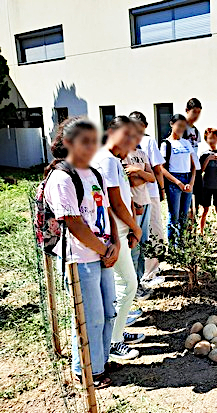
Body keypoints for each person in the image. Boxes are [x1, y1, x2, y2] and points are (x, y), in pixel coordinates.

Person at [44, 117, 119, 388]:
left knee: (108, 312)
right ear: (68, 143)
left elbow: (107, 210)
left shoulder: (93, 173)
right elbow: (74, 223)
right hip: (81, 259)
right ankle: (85, 371)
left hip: (103, 255)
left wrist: (115, 245)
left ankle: (100, 360)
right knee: (90, 318)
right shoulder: (63, 178)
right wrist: (104, 250)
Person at [92, 115, 143, 361]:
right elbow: (115, 202)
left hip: (121, 231)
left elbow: (125, 197)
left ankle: (117, 332)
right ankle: (114, 341)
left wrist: (131, 223)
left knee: (118, 287)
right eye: (128, 137)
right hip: (115, 233)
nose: (131, 145)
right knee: (128, 285)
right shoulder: (107, 161)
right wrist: (136, 227)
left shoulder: (113, 160)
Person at [128, 111, 166, 288]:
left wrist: (139, 174)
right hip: (146, 195)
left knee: (143, 234)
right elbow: (155, 170)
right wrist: (160, 187)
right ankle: (149, 274)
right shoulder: (144, 142)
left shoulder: (134, 144)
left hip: (142, 193)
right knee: (151, 233)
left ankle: (146, 273)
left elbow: (149, 173)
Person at [122, 121, 155, 302]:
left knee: (143, 246)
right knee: (134, 247)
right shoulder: (124, 155)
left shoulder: (142, 154)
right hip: (136, 206)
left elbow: (151, 178)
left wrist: (137, 171)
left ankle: (139, 281)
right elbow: (132, 182)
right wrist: (140, 174)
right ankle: (132, 286)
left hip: (146, 202)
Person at [160, 114, 196, 240]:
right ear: (171, 124)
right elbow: (162, 168)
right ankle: (173, 250)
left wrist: (191, 182)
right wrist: (178, 183)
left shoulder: (186, 143)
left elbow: (193, 166)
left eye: (183, 126)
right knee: (174, 216)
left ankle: (182, 246)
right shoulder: (166, 144)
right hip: (174, 181)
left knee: (184, 217)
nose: (181, 128)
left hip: (187, 179)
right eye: (179, 125)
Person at [199, 128, 217, 234]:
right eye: (210, 138)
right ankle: (201, 231)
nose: (212, 140)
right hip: (206, 186)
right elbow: (201, 170)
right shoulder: (204, 155)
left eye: (214, 138)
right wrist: (208, 159)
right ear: (206, 140)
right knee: (204, 210)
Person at [184, 98, 203, 217]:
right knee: (187, 203)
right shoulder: (181, 128)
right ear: (187, 110)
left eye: (199, 112)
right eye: (194, 112)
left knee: (197, 202)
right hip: (185, 168)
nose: (196, 115)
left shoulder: (196, 130)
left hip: (196, 167)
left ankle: (194, 227)